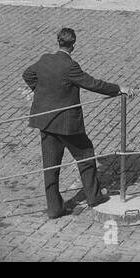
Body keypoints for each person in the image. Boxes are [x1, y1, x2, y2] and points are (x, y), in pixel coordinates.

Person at [21, 27, 122, 219]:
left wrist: (42, 92)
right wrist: (119, 89)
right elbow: (93, 84)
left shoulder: (44, 60)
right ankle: (93, 196)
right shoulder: (70, 66)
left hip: (46, 123)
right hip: (67, 125)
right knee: (85, 155)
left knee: (50, 167)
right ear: (73, 45)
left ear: (58, 42)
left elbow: (27, 75)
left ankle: (55, 209)